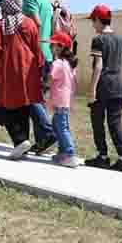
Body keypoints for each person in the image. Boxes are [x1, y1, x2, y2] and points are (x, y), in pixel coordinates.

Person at [0, 0, 45, 160]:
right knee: (24, 106)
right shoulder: (29, 23)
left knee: (4, 107)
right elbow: (36, 46)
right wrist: (40, 66)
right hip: (29, 69)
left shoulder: (1, 24)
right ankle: (24, 143)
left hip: (9, 69)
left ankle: (20, 140)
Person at [5, 0, 55, 154]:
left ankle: (48, 133)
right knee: (36, 96)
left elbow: (36, 23)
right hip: (46, 50)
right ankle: (43, 139)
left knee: (30, 96)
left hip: (34, 54)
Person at [85, 4, 122, 172]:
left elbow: (98, 66)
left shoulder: (98, 40)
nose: (92, 24)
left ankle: (102, 156)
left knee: (98, 121)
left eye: (93, 21)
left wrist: (92, 90)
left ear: (98, 20)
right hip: (118, 84)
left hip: (103, 85)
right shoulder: (120, 39)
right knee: (115, 122)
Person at [47, 32, 79, 168]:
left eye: (53, 45)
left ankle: (70, 153)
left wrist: (43, 85)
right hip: (65, 100)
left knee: (61, 126)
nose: (50, 47)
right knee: (57, 124)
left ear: (60, 47)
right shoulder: (69, 64)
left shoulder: (58, 63)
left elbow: (50, 79)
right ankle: (62, 153)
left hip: (59, 100)